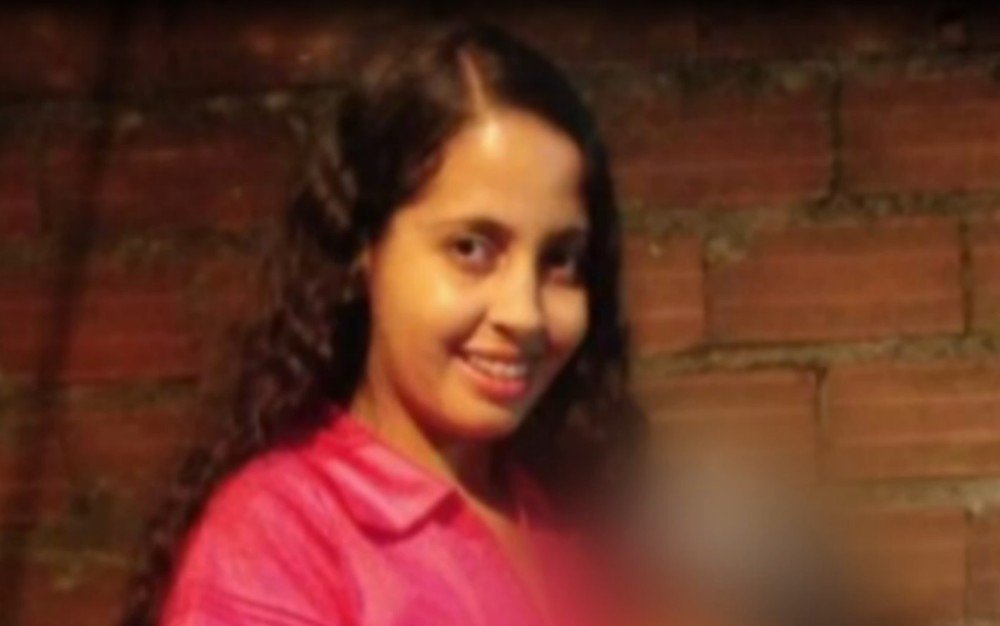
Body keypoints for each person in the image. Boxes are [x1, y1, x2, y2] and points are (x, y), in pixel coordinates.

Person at [119, 18, 647, 626]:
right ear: (364, 249)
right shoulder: (280, 543)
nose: (524, 313)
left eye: (559, 259)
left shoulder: (552, 504)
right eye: (472, 248)